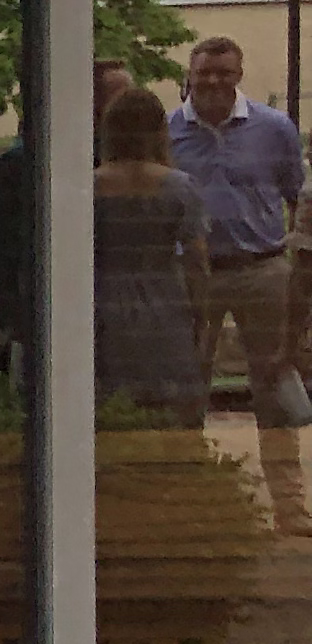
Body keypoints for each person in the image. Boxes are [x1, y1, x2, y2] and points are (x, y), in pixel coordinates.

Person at [170, 36, 311, 523]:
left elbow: (298, 197)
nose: (213, 81)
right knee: (187, 386)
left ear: (239, 74)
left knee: (273, 386)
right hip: (195, 276)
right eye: (205, 72)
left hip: (263, 270)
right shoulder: (167, 133)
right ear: (190, 73)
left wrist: (295, 263)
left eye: (224, 72)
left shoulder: (274, 129)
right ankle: (192, 502)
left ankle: (290, 508)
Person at [0, 54, 130, 372]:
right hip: (40, 319)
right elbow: (2, 254)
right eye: (121, 101)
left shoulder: (118, 164)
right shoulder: (21, 167)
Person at [95, 82, 212, 424]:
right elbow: (197, 261)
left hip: (102, 298)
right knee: (167, 402)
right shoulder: (179, 186)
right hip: (163, 298)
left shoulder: (89, 186)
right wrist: (200, 314)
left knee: (108, 403)